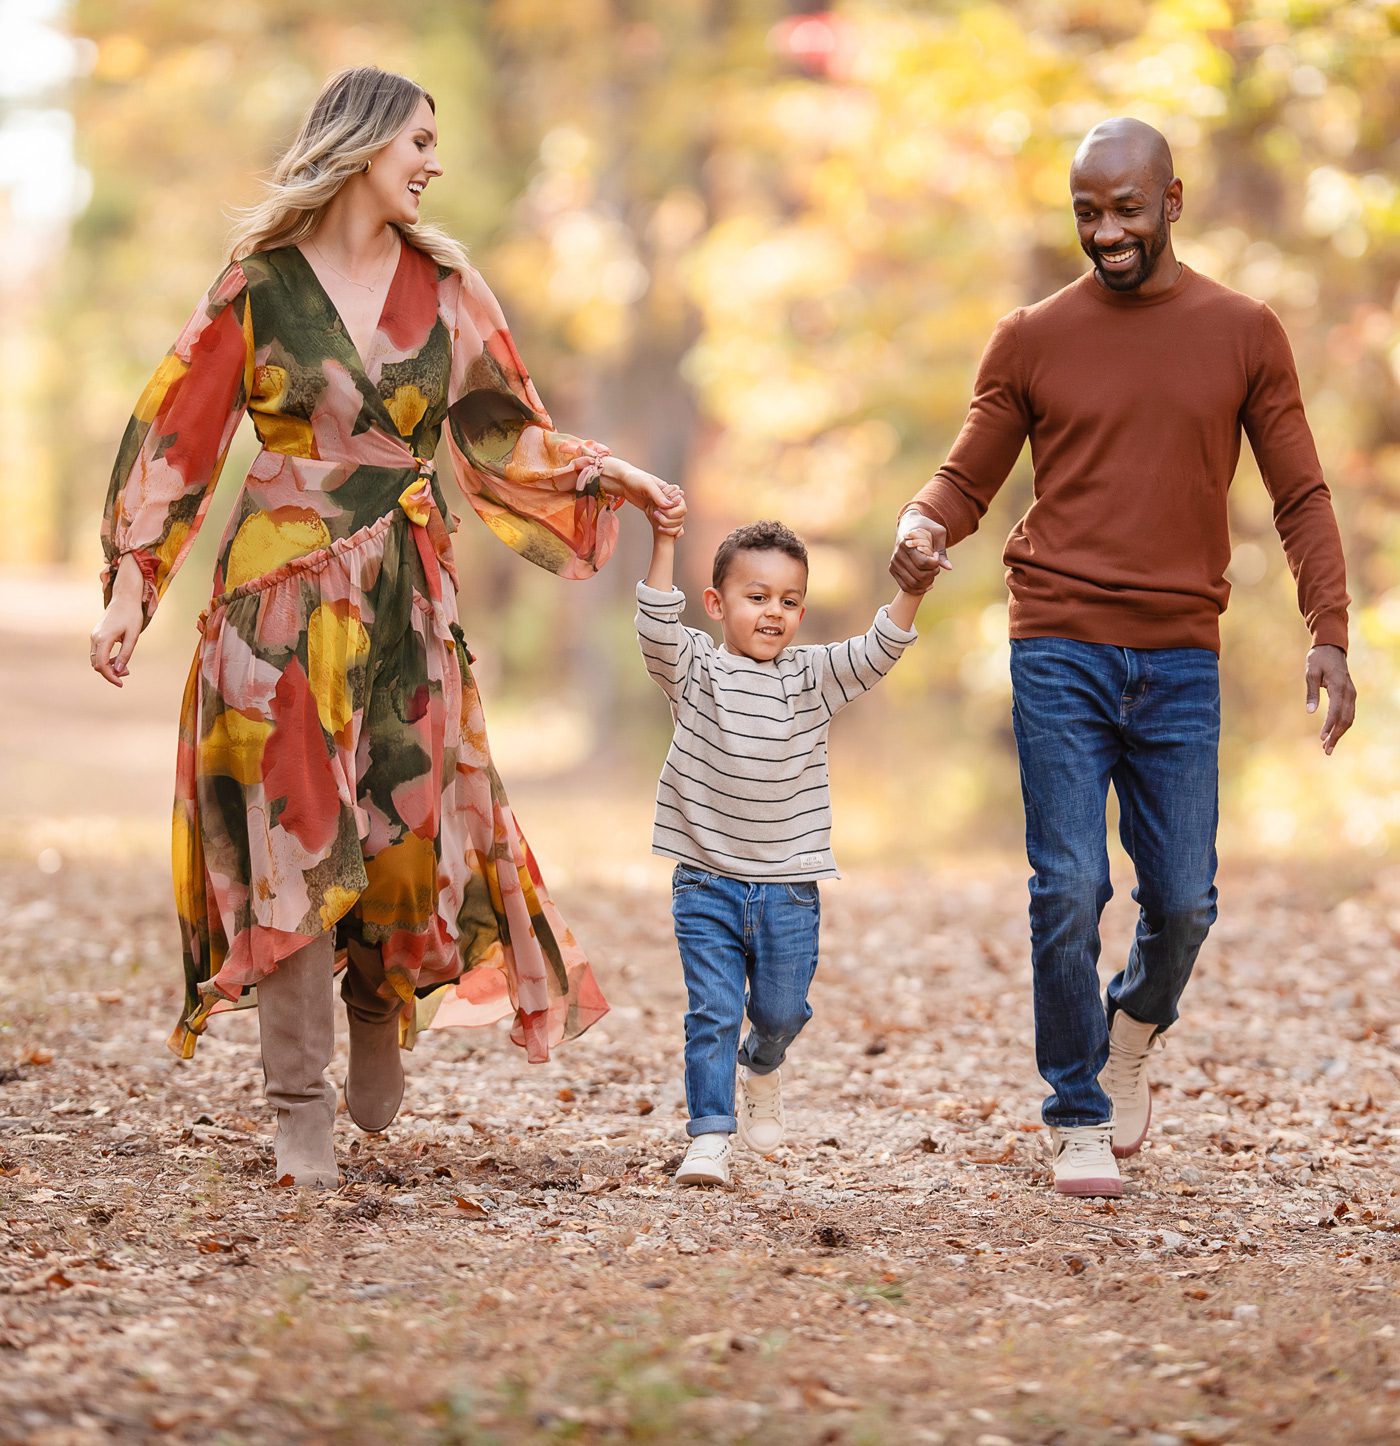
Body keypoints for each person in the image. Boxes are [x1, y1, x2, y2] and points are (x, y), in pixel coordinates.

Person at [90, 66, 684, 1188]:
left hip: (407, 600)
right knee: (292, 840)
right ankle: (293, 1105)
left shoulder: (448, 289)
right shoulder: (259, 285)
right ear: (362, 143)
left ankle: (376, 1007)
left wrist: (616, 478)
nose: (434, 161)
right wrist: (131, 585)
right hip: (272, 610)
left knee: (403, 832)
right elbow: (179, 430)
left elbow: (506, 435)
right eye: (419, 139)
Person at [890, 117, 1355, 1198]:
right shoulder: (1031, 336)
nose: (1104, 232)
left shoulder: (1241, 331)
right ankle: (1076, 1111)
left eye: (1125, 209)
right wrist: (922, 522)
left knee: (1184, 899)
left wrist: (1326, 630)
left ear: (1173, 201)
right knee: (1066, 886)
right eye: (1086, 213)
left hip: (1179, 657)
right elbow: (967, 477)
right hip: (1056, 641)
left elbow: (1298, 494)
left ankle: (1133, 1024)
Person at [637, 516, 932, 1185]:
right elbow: (655, 624)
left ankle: (764, 1064)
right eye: (757, 596)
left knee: (780, 1012)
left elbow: (877, 649)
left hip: (790, 888)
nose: (774, 612)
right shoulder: (695, 672)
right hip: (706, 883)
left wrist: (910, 591)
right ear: (716, 604)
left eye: (789, 600)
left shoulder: (812, 678)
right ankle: (710, 1136)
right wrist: (663, 539)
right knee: (710, 1010)